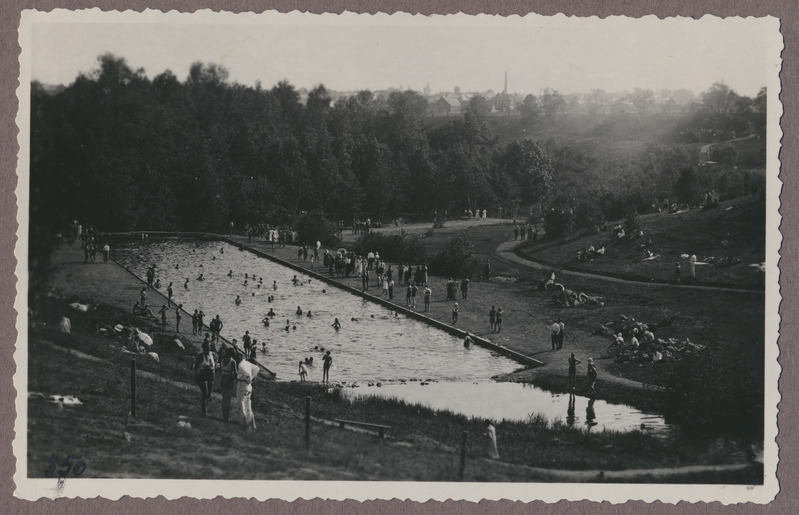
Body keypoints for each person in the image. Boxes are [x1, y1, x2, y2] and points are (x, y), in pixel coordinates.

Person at [235, 352, 259, 430]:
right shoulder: (247, 363)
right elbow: (256, 368)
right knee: (248, 405)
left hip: (242, 385)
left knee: (241, 404)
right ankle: (251, 423)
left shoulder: (240, 365)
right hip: (249, 386)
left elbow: (247, 374)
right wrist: (252, 377)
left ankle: (243, 423)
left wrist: (249, 377)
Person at [194, 341, 216, 416]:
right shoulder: (201, 356)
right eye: (207, 346)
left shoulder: (212, 354)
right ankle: (204, 412)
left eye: (209, 346)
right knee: (205, 393)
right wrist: (196, 376)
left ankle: (206, 409)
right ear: (204, 348)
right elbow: (196, 366)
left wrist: (214, 376)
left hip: (210, 375)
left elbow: (214, 366)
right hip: (203, 375)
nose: (209, 348)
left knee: (209, 394)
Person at [219, 348, 238, 422]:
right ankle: (226, 417)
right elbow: (235, 373)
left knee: (224, 399)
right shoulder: (233, 362)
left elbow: (221, 370)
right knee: (228, 399)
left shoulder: (222, 360)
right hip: (229, 380)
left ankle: (224, 415)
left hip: (223, 379)